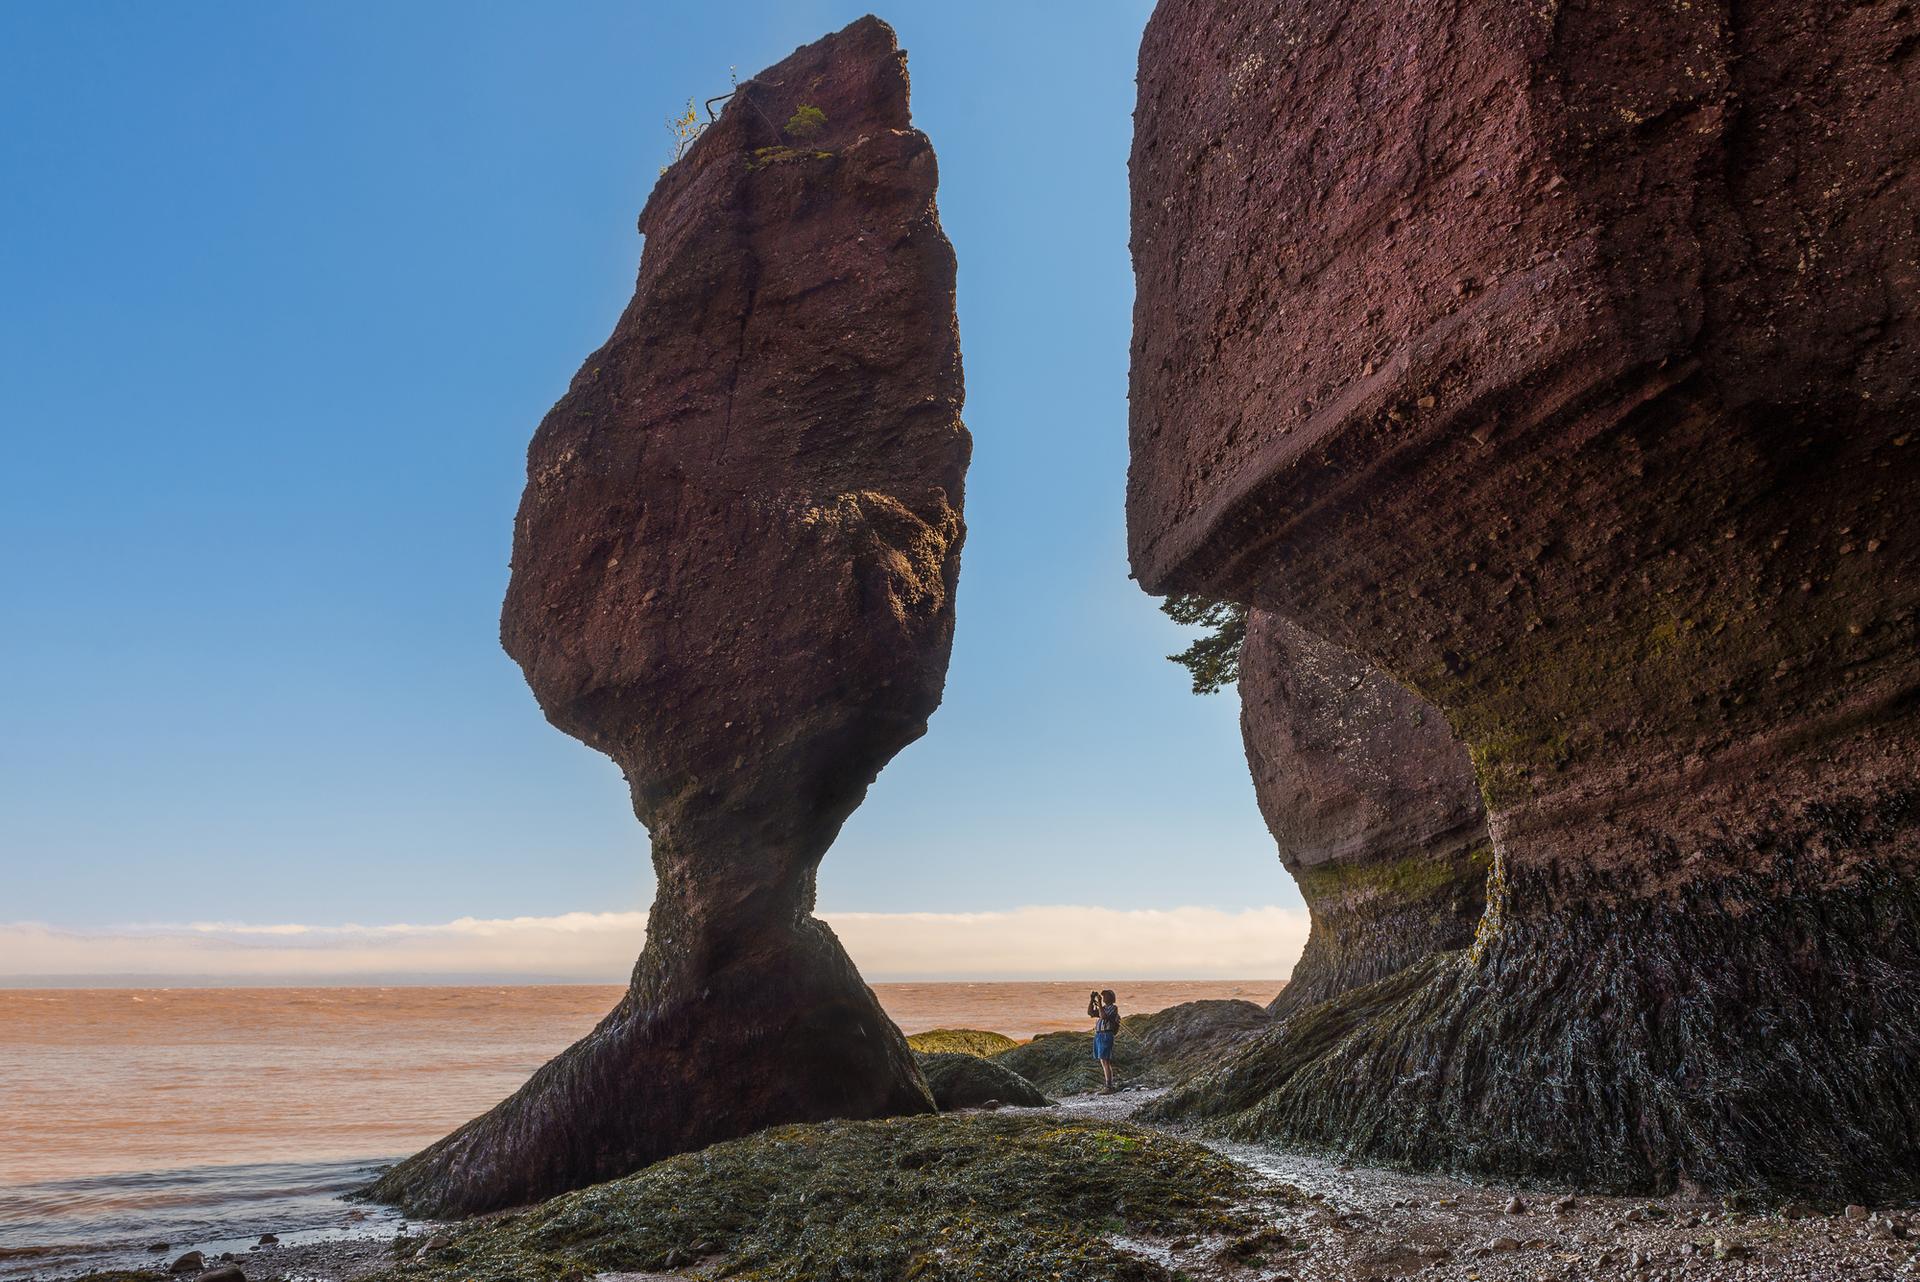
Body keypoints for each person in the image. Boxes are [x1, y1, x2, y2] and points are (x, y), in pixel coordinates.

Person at [1087, 988, 1120, 1093]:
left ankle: (1109, 1086)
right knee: (1102, 1060)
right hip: (1099, 1035)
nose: (1103, 997)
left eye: (1105, 996)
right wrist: (1092, 1000)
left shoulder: (1113, 1008)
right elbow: (1090, 1013)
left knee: (1105, 1060)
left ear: (1111, 998)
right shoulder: (1104, 1008)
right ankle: (1108, 1085)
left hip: (1106, 1034)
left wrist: (1100, 1003)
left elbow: (1103, 1016)